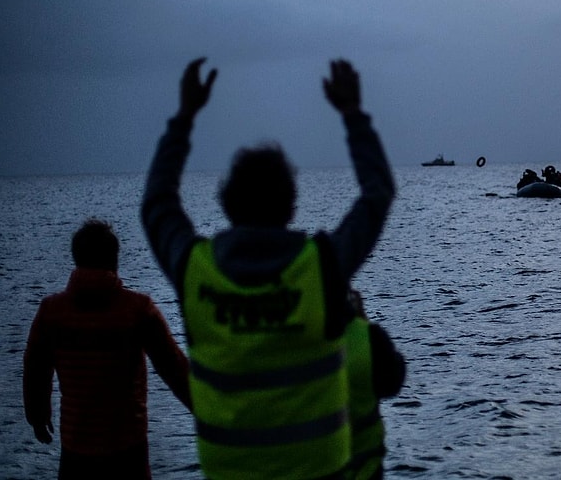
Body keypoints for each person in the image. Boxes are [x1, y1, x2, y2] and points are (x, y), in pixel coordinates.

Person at [141, 58, 395, 480]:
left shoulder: (195, 271)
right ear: (291, 204)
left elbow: (157, 203)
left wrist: (184, 117)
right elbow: (377, 194)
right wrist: (352, 113)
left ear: (226, 204)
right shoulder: (320, 268)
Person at [22, 219, 192, 480]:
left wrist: (37, 414)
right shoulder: (138, 309)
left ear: (76, 258)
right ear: (114, 260)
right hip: (128, 449)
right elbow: (175, 369)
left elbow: (35, 369)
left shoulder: (52, 311)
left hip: (76, 447)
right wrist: (208, 411)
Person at [344, 289, 406, 480]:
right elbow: (392, 382)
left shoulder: (259, 341)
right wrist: (360, 322)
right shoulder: (367, 338)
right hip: (360, 470)